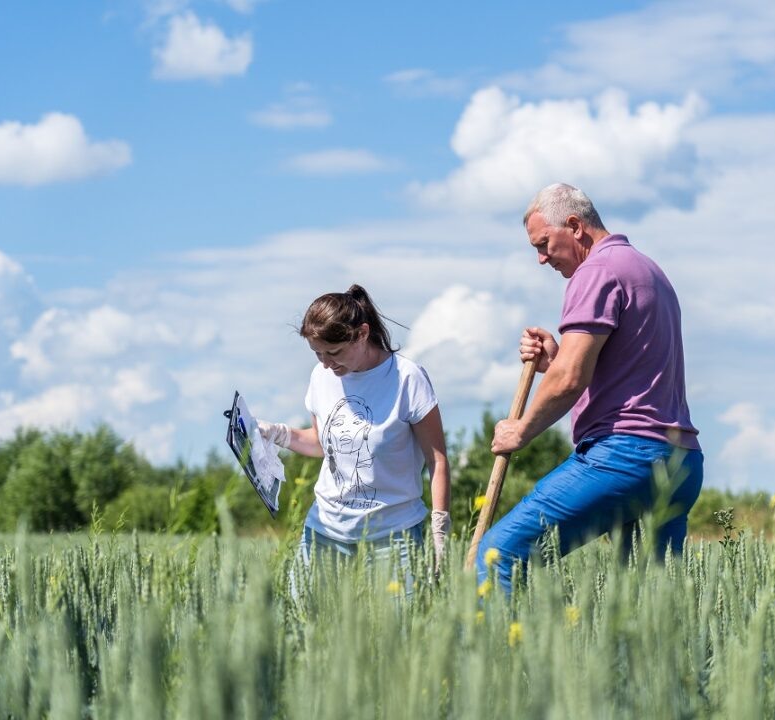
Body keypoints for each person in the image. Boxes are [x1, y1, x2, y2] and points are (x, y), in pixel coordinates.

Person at [477, 183, 703, 595]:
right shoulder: (647, 271)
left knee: (500, 555)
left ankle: (502, 660)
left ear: (576, 226)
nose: (542, 259)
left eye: (544, 244)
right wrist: (556, 360)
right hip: (679, 460)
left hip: (626, 457)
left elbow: (570, 380)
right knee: (645, 605)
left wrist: (521, 430)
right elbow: (619, 370)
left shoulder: (595, 272)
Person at [257, 284, 451, 594]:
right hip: (325, 530)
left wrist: (440, 531)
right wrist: (279, 434)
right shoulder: (322, 377)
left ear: (361, 334)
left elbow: (437, 460)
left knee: (401, 636)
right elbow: (322, 444)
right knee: (298, 626)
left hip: (394, 536)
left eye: (333, 352)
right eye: (317, 353)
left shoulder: (407, 378)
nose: (325, 363)